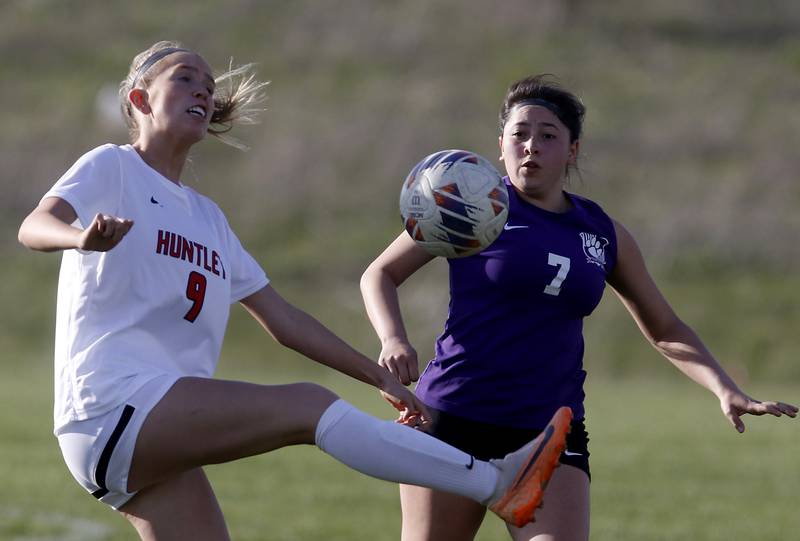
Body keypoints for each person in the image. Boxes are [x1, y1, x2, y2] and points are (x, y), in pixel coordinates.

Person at [17, 43, 573, 541]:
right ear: (140, 98)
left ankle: (498, 482)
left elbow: (284, 321)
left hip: (150, 425)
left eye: (209, 88)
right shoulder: (112, 166)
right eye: (186, 79)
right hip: (110, 405)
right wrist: (79, 238)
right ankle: (494, 482)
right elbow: (34, 226)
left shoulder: (208, 219)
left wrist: (377, 375)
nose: (203, 92)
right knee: (307, 405)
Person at [360, 74, 799, 541]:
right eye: (520, 134)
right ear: (501, 145)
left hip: (549, 430)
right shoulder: (469, 206)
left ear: (572, 150)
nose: (531, 146)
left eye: (548, 136)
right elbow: (380, 274)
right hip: (452, 418)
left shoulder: (603, 233)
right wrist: (392, 338)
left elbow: (665, 327)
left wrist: (723, 387)